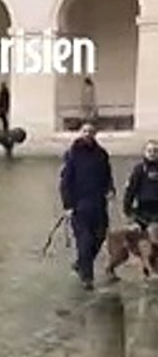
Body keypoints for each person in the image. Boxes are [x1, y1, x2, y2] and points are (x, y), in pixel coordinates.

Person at [59, 122, 116, 290]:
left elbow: (108, 175)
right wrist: (68, 206)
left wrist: (111, 189)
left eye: (91, 131)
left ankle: (80, 264)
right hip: (79, 206)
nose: (87, 134)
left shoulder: (102, 154)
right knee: (85, 241)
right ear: (80, 133)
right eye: (84, 131)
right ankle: (87, 278)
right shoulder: (72, 154)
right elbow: (65, 182)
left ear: (95, 133)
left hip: (99, 205)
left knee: (99, 237)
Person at [123, 140, 158, 241]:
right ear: (144, 152)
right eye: (149, 151)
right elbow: (131, 190)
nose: (152, 153)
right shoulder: (139, 169)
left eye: (155, 151)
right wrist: (127, 209)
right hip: (143, 210)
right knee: (142, 240)